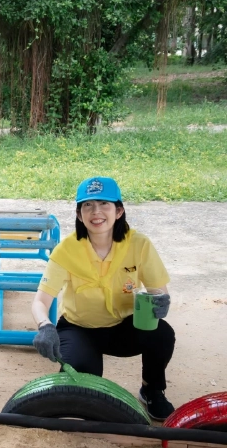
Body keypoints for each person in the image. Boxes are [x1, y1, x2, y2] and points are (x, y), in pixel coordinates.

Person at [31, 176, 176, 420]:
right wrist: (44, 326)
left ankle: (152, 389)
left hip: (123, 328)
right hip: (79, 329)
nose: (96, 212)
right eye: (87, 205)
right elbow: (40, 301)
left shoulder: (139, 244)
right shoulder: (66, 249)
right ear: (79, 214)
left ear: (118, 211)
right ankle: (82, 369)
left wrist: (162, 302)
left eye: (104, 204)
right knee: (84, 389)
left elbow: (158, 292)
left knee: (162, 334)